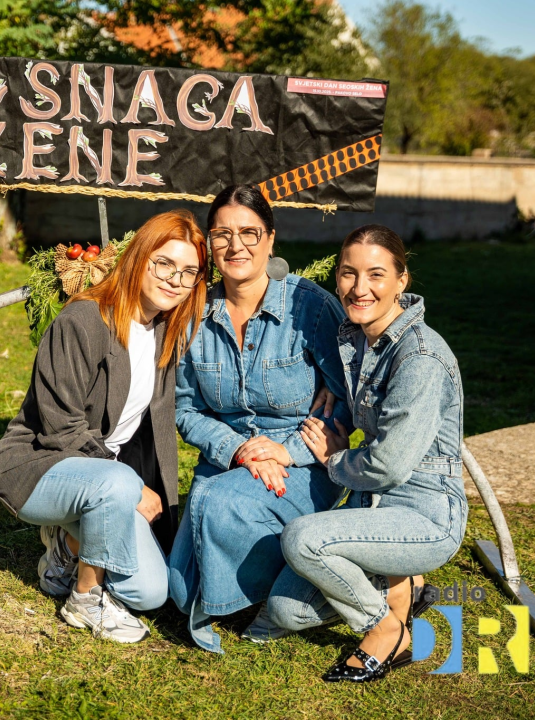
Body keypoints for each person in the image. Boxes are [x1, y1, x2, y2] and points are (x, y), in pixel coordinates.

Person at [0, 210, 207, 643]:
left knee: (149, 592)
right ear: (139, 257)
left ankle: (66, 549)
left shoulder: (166, 330)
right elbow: (60, 427)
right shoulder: (84, 319)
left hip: (102, 479)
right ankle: (86, 599)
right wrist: (127, 481)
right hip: (40, 467)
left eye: (188, 272)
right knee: (117, 485)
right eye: (164, 263)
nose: (174, 280)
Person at [269, 224, 467, 682]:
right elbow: (354, 381)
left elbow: (388, 464)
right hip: (375, 502)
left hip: (423, 514)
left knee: (302, 539)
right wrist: (330, 387)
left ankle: (385, 630)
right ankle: (403, 583)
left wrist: (334, 462)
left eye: (376, 274)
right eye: (347, 273)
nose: (359, 288)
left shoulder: (420, 358)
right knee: (286, 611)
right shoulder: (358, 337)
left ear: (402, 280)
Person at [167, 185, 355, 653]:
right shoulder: (194, 314)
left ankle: (267, 589)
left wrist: (284, 451)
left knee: (220, 503)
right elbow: (184, 408)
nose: (237, 246)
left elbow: (348, 402)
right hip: (228, 457)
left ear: (270, 240)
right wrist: (239, 449)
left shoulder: (308, 308)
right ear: (209, 245)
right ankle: (263, 585)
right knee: (177, 588)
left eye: (250, 233)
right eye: (223, 235)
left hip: (304, 464)